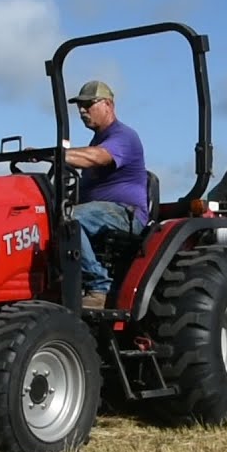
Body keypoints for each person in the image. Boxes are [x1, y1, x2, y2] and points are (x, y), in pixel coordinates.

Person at [61, 80, 147, 308]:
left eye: (88, 105)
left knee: (68, 220)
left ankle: (100, 288)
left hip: (124, 213)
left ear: (108, 105)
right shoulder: (96, 140)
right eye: (80, 106)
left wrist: (55, 155)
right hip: (99, 212)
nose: (82, 111)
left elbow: (97, 157)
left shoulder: (124, 136)